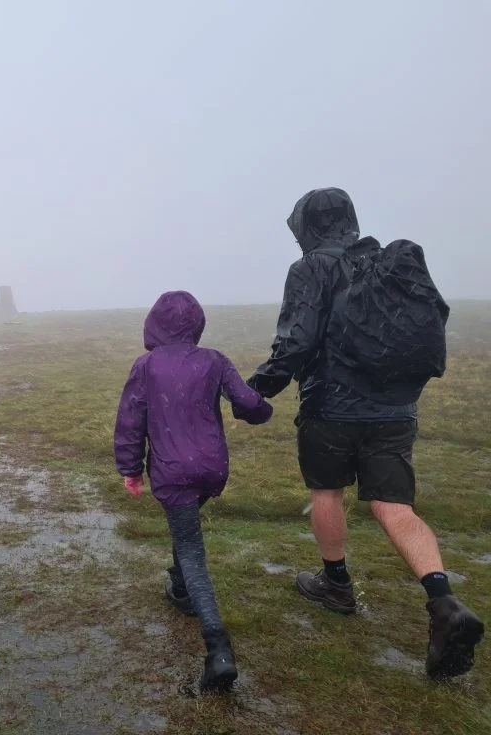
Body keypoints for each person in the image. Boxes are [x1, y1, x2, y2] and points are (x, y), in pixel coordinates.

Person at [248, 187, 484, 680]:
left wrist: (257, 389)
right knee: (394, 506)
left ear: (307, 226)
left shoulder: (311, 268)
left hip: (331, 408)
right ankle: (443, 600)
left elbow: (298, 340)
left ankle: (336, 585)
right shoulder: (383, 264)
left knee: (327, 492)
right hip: (396, 410)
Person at [115, 290, 273, 692]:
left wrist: (131, 469)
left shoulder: (146, 366)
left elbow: (130, 420)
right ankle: (180, 587)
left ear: (154, 324)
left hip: (173, 470)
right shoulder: (214, 360)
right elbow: (247, 401)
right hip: (211, 468)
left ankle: (218, 649)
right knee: (183, 525)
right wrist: (262, 410)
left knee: (190, 548)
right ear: (197, 325)